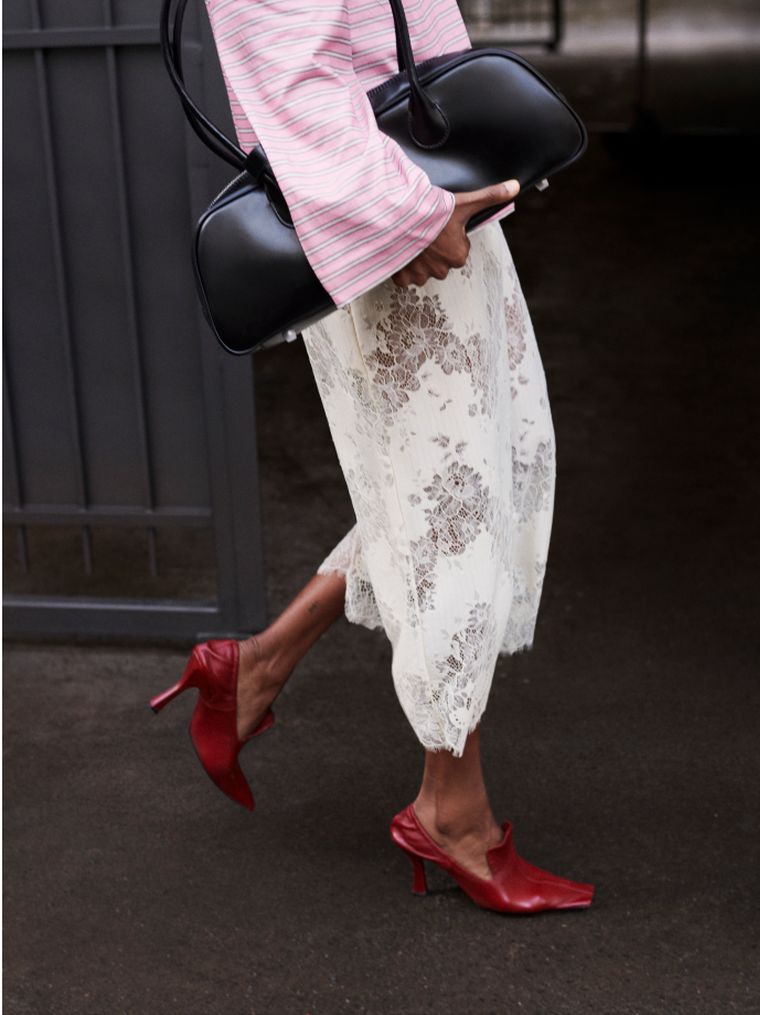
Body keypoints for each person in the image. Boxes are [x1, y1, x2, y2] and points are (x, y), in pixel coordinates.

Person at [149, 0, 595, 914]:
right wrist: (410, 216)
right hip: (388, 216)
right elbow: (291, 71)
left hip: (422, 189)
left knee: (490, 467)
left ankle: (257, 665)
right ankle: (453, 812)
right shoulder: (400, 216)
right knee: (452, 504)